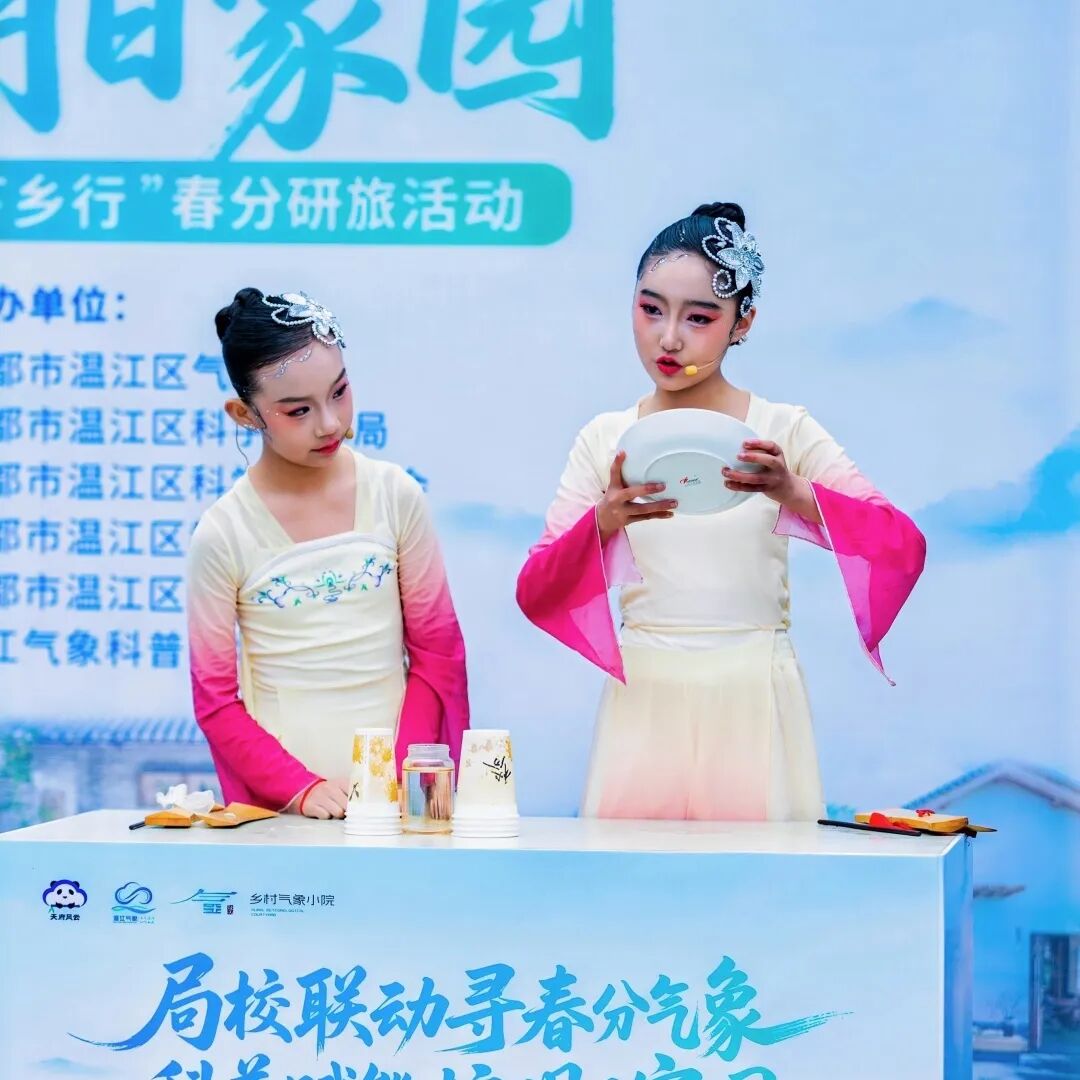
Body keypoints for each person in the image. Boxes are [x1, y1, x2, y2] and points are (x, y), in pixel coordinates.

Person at [517, 203, 925, 821]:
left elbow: (899, 543)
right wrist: (603, 522)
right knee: (633, 875)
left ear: (743, 323)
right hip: (644, 692)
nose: (669, 338)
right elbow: (535, 588)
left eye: (699, 317)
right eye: (650, 309)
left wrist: (792, 491)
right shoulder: (606, 439)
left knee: (757, 874)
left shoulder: (783, 430)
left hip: (753, 687)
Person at [187, 288, 469, 818]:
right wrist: (302, 789)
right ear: (245, 415)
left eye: (339, 392)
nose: (330, 423)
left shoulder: (394, 495)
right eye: (298, 410)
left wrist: (399, 774)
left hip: (397, 787)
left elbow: (438, 655)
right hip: (287, 800)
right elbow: (215, 701)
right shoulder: (223, 533)